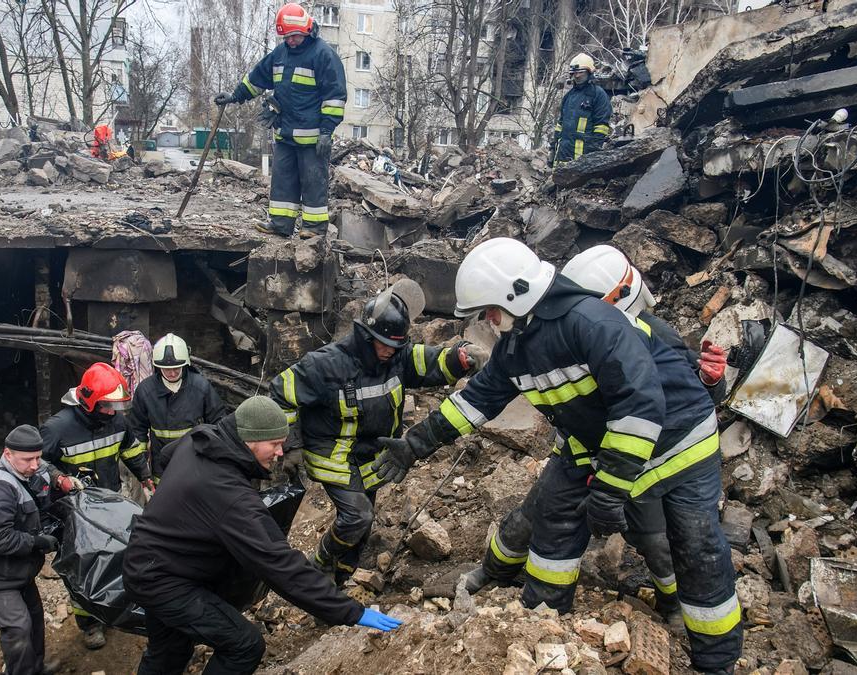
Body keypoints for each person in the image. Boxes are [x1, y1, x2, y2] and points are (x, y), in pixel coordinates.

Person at [372, 238, 743, 674]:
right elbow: (476, 401)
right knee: (554, 523)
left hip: (681, 442)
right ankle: (542, 624)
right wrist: (415, 445)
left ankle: (716, 663)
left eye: (490, 309)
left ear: (518, 292)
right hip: (598, 444)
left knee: (696, 547)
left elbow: (638, 405)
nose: (488, 320)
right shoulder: (516, 348)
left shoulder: (591, 322)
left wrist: (610, 489)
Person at [460, 245, 730, 625]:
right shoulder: (571, 331)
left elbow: (682, 393)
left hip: (642, 458)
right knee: (534, 515)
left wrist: (710, 380)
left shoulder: (650, 331)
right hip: (583, 451)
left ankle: (675, 606)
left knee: (657, 540)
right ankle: (495, 573)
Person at [123, 396, 402, 674]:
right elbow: (279, 563)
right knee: (244, 645)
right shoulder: (230, 496)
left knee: (169, 649)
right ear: (251, 439)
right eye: (275, 444)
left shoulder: (201, 439)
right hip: (163, 580)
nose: (280, 453)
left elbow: (166, 455)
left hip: (145, 559)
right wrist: (351, 611)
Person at [269, 286, 488, 583]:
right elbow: (282, 392)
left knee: (361, 529)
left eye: (395, 347)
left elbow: (431, 362)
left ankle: (340, 581)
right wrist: (290, 445)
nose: (388, 351)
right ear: (365, 335)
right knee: (358, 516)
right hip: (333, 456)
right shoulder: (325, 365)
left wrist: (460, 358)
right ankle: (319, 562)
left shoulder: (398, 356)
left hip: (372, 455)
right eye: (383, 344)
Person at [40, 362, 152, 650]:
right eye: (106, 406)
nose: (112, 412)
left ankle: (113, 609)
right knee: (81, 569)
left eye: (115, 407)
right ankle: (89, 624)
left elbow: (131, 450)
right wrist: (58, 477)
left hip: (109, 504)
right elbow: (37, 463)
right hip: (74, 512)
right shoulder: (57, 428)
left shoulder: (117, 422)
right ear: (89, 402)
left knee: (113, 559)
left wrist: (145, 476)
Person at [213, 3, 346, 240]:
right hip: (285, 133)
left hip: (313, 137)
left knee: (313, 182)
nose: (290, 41)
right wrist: (235, 96)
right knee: (283, 181)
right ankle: (281, 224)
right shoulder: (280, 54)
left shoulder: (323, 55)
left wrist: (327, 131)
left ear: (306, 30)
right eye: (286, 37)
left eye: (294, 36)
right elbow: (257, 79)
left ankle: (314, 229)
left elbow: (334, 97)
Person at [0, 424, 82, 675]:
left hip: (17, 570)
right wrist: (38, 542)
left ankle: (34, 669)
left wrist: (60, 478)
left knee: (35, 621)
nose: (35, 464)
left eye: (37, 457)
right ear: (7, 454)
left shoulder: (27, 471)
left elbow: (46, 468)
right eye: (28, 459)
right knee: (18, 628)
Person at [127, 333, 227, 481]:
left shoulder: (201, 387)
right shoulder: (146, 391)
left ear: (185, 364)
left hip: (194, 461)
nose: (172, 373)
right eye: (167, 369)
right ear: (158, 366)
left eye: (177, 368)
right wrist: (142, 469)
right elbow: (137, 430)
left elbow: (218, 423)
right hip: (161, 466)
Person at [549, 53, 612, 166]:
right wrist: (553, 151)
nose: (577, 76)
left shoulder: (598, 95)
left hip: (583, 156)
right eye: (574, 73)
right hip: (563, 154)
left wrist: (592, 152)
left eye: (580, 72)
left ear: (589, 72)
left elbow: (601, 127)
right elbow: (560, 126)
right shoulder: (568, 96)